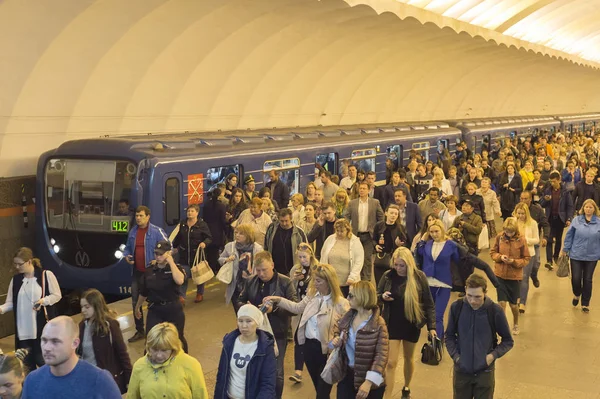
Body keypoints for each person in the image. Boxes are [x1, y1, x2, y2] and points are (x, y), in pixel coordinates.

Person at [265, 263, 350, 397]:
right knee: (319, 389)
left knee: (322, 393)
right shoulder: (312, 297)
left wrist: (339, 337)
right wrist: (278, 300)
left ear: (328, 282)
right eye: (314, 280)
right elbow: (297, 308)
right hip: (309, 349)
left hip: (328, 353)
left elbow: (348, 326)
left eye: (318, 281)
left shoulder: (341, 303)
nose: (314, 283)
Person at [377, 247, 435, 399]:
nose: (398, 268)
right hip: (392, 323)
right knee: (391, 362)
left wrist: (432, 327)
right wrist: (382, 297)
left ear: (409, 264)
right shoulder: (388, 276)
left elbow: (429, 303)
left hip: (411, 324)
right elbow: (375, 296)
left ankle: (406, 386)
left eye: (401, 265)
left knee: (409, 358)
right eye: (396, 265)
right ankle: (387, 395)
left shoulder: (419, 277)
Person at [237, 251, 297, 399]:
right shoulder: (251, 281)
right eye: (258, 271)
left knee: (276, 373)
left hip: (277, 334)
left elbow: (294, 307)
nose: (261, 273)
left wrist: (274, 309)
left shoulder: (285, 282)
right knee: (256, 369)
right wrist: (246, 308)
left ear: (272, 265)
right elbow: (239, 301)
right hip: (254, 334)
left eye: (264, 270)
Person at [445, 274, 514, 399]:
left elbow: (508, 340)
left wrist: (492, 356)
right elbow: (449, 336)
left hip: (484, 373)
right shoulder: (457, 307)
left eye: (478, 297)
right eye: (469, 295)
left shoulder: (495, 311)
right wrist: (456, 357)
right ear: (465, 290)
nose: (472, 301)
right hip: (462, 372)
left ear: (485, 293)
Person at [21, 316, 122, 399]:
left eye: (55, 341)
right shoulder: (32, 381)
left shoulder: (100, 381)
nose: (47, 348)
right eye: (44, 340)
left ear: (75, 343)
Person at [0, 247, 61, 370]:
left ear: (29, 261)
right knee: (26, 367)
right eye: (15, 264)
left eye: (19, 264)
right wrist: (1, 309)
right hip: (23, 332)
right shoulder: (16, 280)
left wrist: (43, 301)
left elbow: (57, 295)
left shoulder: (46, 275)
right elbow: (11, 303)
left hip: (41, 329)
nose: (17, 267)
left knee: (45, 364)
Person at [331, 281, 389, 399]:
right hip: (347, 377)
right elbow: (337, 332)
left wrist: (368, 382)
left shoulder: (379, 324)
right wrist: (335, 339)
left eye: (351, 295)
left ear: (362, 297)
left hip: (371, 384)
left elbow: (381, 356)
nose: (347, 298)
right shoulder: (347, 317)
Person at [123, 205, 169, 343]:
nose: (138, 218)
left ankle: (158, 330)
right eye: (137, 215)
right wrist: (127, 256)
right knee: (135, 301)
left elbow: (168, 247)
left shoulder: (156, 231)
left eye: (141, 215)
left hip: (152, 273)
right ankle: (140, 330)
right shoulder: (133, 232)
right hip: (137, 272)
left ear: (148, 217)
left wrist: (158, 259)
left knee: (155, 301)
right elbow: (127, 248)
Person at [128, 322, 208, 399]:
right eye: (155, 349)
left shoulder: (191, 365)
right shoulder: (139, 366)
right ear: (148, 347)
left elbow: (200, 395)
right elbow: (132, 396)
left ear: (173, 348)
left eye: (164, 350)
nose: (159, 355)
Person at [134, 241, 188, 352]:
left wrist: (171, 262)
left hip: (173, 309)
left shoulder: (176, 268)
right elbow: (144, 292)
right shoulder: (150, 271)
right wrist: (137, 306)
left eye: (161, 254)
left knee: (178, 339)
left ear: (168, 253)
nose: (158, 257)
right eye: (156, 254)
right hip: (155, 310)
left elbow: (180, 280)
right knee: (150, 340)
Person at [214, 304, 276, 399]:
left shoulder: (265, 348)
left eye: (249, 321)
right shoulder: (229, 343)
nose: (244, 326)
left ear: (257, 322)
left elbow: (268, 384)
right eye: (240, 321)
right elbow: (221, 375)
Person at [78, 289, 132, 393]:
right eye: (82, 307)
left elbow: (122, 353)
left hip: (107, 380)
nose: (83, 310)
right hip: (88, 378)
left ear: (97, 306)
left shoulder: (110, 325)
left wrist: (129, 379)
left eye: (87, 307)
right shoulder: (82, 326)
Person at [416, 220, 460, 338]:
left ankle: (438, 339)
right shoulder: (428, 244)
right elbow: (419, 252)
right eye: (431, 232)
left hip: (444, 284)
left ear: (442, 230)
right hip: (428, 283)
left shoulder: (451, 245)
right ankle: (432, 338)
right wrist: (423, 239)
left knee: (438, 315)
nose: (434, 234)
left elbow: (458, 261)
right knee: (427, 314)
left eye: (436, 231)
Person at [490, 217, 530, 336]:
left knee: (513, 305)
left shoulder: (521, 240)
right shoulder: (499, 237)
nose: (508, 233)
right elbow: (493, 252)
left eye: (511, 232)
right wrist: (500, 257)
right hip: (500, 275)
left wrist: (514, 262)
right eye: (507, 231)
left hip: (514, 277)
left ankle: (516, 323)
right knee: (501, 303)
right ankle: (503, 326)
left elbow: (526, 258)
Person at [285, 243, 317, 384]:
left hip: (314, 309)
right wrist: (294, 280)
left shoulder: (317, 269)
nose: (302, 260)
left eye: (304, 257)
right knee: (298, 337)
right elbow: (289, 288)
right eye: (300, 257)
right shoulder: (296, 269)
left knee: (313, 338)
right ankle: (298, 371)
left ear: (311, 255)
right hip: (300, 308)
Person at [562, 199, 600, 313]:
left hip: (592, 256)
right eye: (586, 207)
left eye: (591, 207)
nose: (588, 209)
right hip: (576, 254)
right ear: (583, 208)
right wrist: (565, 249)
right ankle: (577, 293)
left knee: (588, 279)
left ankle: (585, 303)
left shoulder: (598, 222)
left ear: (594, 209)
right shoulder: (576, 221)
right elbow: (569, 236)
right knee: (576, 278)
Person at [172, 204, 213, 304]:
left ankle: (200, 293)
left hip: (197, 255)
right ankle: (181, 296)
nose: (189, 213)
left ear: (197, 213)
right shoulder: (182, 224)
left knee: (199, 274)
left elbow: (209, 238)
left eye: (192, 211)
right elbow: (178, 237)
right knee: (183, 274)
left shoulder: (202, 225)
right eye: (188, 211)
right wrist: (174, 247)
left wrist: (204, 243)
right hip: (184, 255)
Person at [344, 181, 385, 282]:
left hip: (369, 235)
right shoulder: (352, 203)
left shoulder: (375, 202)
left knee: (367, 259)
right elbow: (346, 216)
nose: (362, 190)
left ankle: (366, 282)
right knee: (355, 257)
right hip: (355, 235)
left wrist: (378, 231)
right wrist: (348, 228)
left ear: (369, 190)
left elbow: (381, 217)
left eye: (364, 189)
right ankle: (356, 280)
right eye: (360, 188)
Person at [220, 224, 264, 312]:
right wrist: (226, 260)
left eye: (241, 233)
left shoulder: (258, 249)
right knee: (239, 312)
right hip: (236, 286)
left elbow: (263, 264)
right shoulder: (230, 246)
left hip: (252, 285)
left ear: (248, 235)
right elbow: (220, 258)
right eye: (236, 233)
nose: (237, 235)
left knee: (253, 311)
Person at [320, 218, 364, 296]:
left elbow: (359, 261)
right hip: (331, 282)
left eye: (342, 231)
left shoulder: (355, 242)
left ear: (348, 230)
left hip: (347, 283)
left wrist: (352, 277)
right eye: (337, 231)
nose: (339, 233)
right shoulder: (330, 239)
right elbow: (323, 257)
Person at [539, 171, 574, 270]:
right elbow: (541, 204)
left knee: (558, 240)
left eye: (554, 181)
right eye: (551, 181)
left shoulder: (565, 191)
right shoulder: (547, 191)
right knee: (549, 239)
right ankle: (549, 261)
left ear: (559, 180)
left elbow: (570, 206)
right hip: (549, 218)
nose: (552, 183)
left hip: (560, 219)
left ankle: (555, 256)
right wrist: (545, 199)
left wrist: (569, 218)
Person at [512, 203, 539, 314]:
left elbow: (536, 239)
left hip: (528, 254)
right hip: (514, 254)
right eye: (518, 213)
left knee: (524, 277)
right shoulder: (512, 222)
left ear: (526, 213)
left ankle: (522, 302)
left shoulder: (532, 223)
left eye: (523, 213)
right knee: (516, 278)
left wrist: (525, 240)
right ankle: (517, 296)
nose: (520, 216)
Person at [264, 208, 308, 276]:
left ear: (291, 219)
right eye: (282, 221)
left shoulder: (299, 233)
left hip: (292, 271)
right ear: (278, 219)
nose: (284, 223)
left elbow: (306, 252)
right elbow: (266, 247)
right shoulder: (272, 229)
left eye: (286, 221)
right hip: (274, 270)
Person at [373, 205, 407, 284]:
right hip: (380, 259)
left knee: (392, 284)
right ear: (386, 213)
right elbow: (374, 239)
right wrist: (375, 246)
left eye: (396, 214)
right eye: (391, 213)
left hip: (394, 260)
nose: (393, 215)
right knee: (379, 284)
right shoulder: (379, 225)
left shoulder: (400, 228)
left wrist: (399, 245)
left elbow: (405, 243)